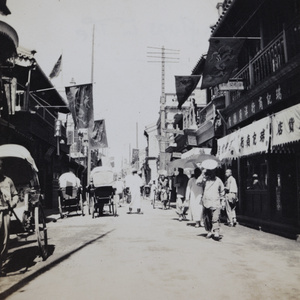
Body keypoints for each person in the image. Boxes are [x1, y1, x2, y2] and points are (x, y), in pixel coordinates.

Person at [0, 158, 19, 276]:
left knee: (4, 240)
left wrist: (12, 203)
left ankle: (1, 265)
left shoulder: (8, 181)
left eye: (0, 166)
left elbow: (15, 195)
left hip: (5, 212)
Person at [199, 168, 225, 240]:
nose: (211, 174)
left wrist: (223, 201)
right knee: (207, 218)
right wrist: (202, 174)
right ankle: (209, 231)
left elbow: (222, 191)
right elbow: (198, 183)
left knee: (215, 217)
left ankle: (216, 232)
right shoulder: (205, 180)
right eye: (209, 172)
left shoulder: (218, 180)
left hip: (215, 202)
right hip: (206, 201)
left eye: (212, 172)